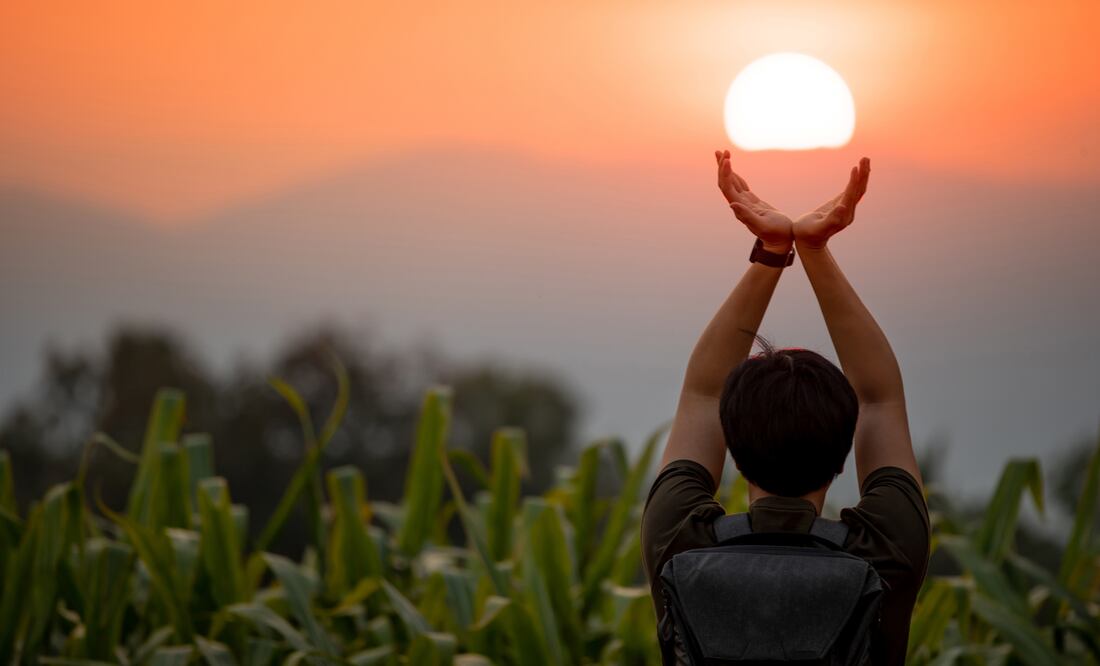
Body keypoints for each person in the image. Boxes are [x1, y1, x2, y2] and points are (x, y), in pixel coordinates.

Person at [641, 151, 930, 666]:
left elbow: (702, 394)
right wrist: (814, 250)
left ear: (733, 451)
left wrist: (773, 251)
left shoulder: (680, 541)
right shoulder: (887, 551)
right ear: (844, 455)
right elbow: (880, 398)